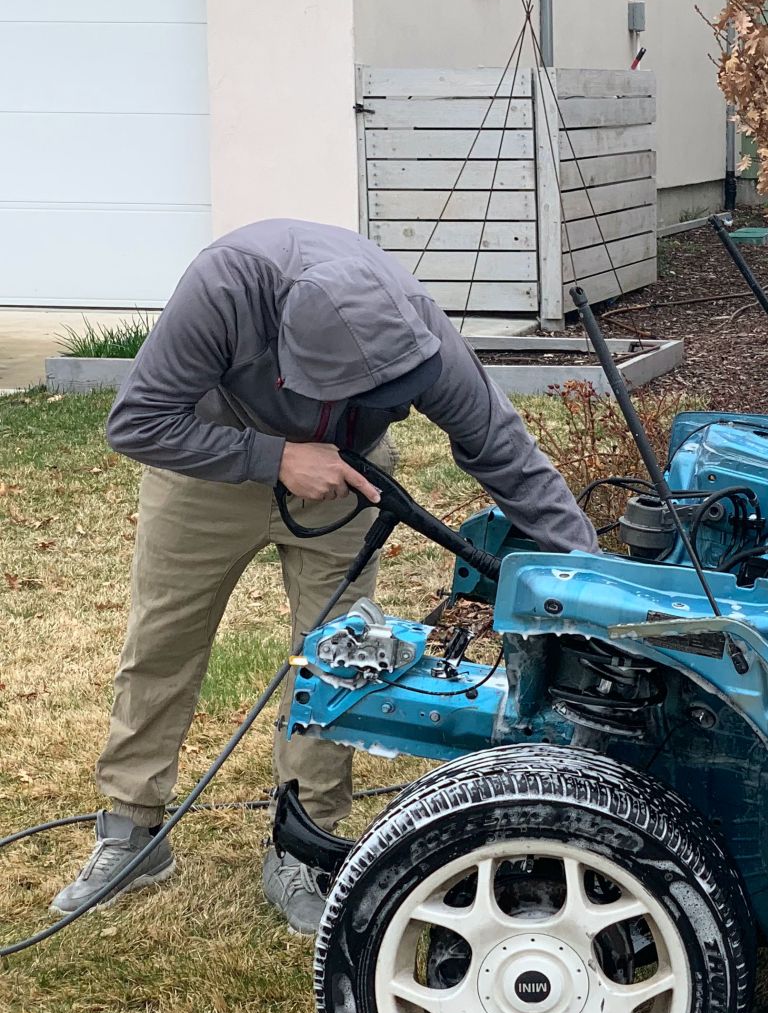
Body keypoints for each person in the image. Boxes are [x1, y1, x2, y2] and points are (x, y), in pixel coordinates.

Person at [51, 219, 598, 932]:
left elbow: (502, 448)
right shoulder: (223, 289)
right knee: (163, 641)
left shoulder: (416, 327)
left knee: (339, 655)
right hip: (207, 467)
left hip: (347, 479)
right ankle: (133, 828)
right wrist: (276, 457)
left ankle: (303, 843)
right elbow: (137, 421)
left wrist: (588, 580)